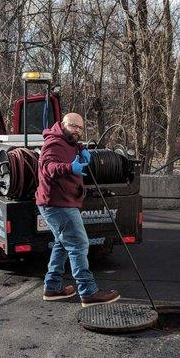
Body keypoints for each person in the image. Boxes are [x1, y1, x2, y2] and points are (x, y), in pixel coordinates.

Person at [35, 112, 120, 307]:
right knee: (79, 244)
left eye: (80, 128)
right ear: (63, 125)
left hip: (63, 201)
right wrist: (68, 168)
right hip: (57, 204)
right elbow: (48, 166)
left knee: (62, 243)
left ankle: (53, 287)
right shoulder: (53, 144)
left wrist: (82, 149)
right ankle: (88, 292)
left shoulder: (68, 141)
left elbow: (73, 144)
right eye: (73, 126)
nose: (77, 130)